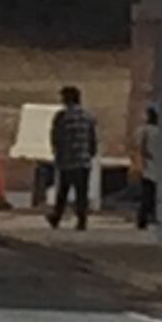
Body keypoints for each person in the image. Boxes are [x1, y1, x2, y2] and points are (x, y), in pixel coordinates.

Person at [47, 84, 100, 230]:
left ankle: (56, 217)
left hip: (67, 161)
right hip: (83, 161)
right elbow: (93, 139)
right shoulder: (88, 116)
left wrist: (56, 154)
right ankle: (82, 220)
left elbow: (56, 138)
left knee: (62, 192)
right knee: (81, 192)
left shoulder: (61, 117)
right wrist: (90, 153)